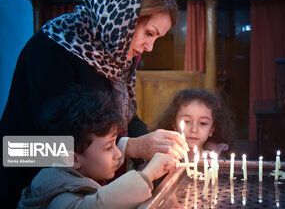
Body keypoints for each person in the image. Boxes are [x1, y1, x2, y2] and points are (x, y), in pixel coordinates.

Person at [0, 0, 188, 207]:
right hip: (36, 183)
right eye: (149, 33)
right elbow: (48, 147)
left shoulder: (115, 54)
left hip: (91, 190)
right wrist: (132, 146)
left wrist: (157, 144)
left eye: (157, 38)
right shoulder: (54, 47)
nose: (150, 47)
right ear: (124, 20)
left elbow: (123, 117)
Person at [17, 89, 176, 209]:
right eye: (108, 147)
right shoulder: (56, 195)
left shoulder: (77, 177)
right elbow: (96, 205)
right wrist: (147, 175)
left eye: (115, 144)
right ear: (72, 158)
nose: (118, 153)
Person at [152, 89, 235, 159]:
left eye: (203, 123)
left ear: (211, 129)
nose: (194, 129)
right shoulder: (161, 157)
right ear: (174, 124)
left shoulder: (215, 160)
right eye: (187, 121)